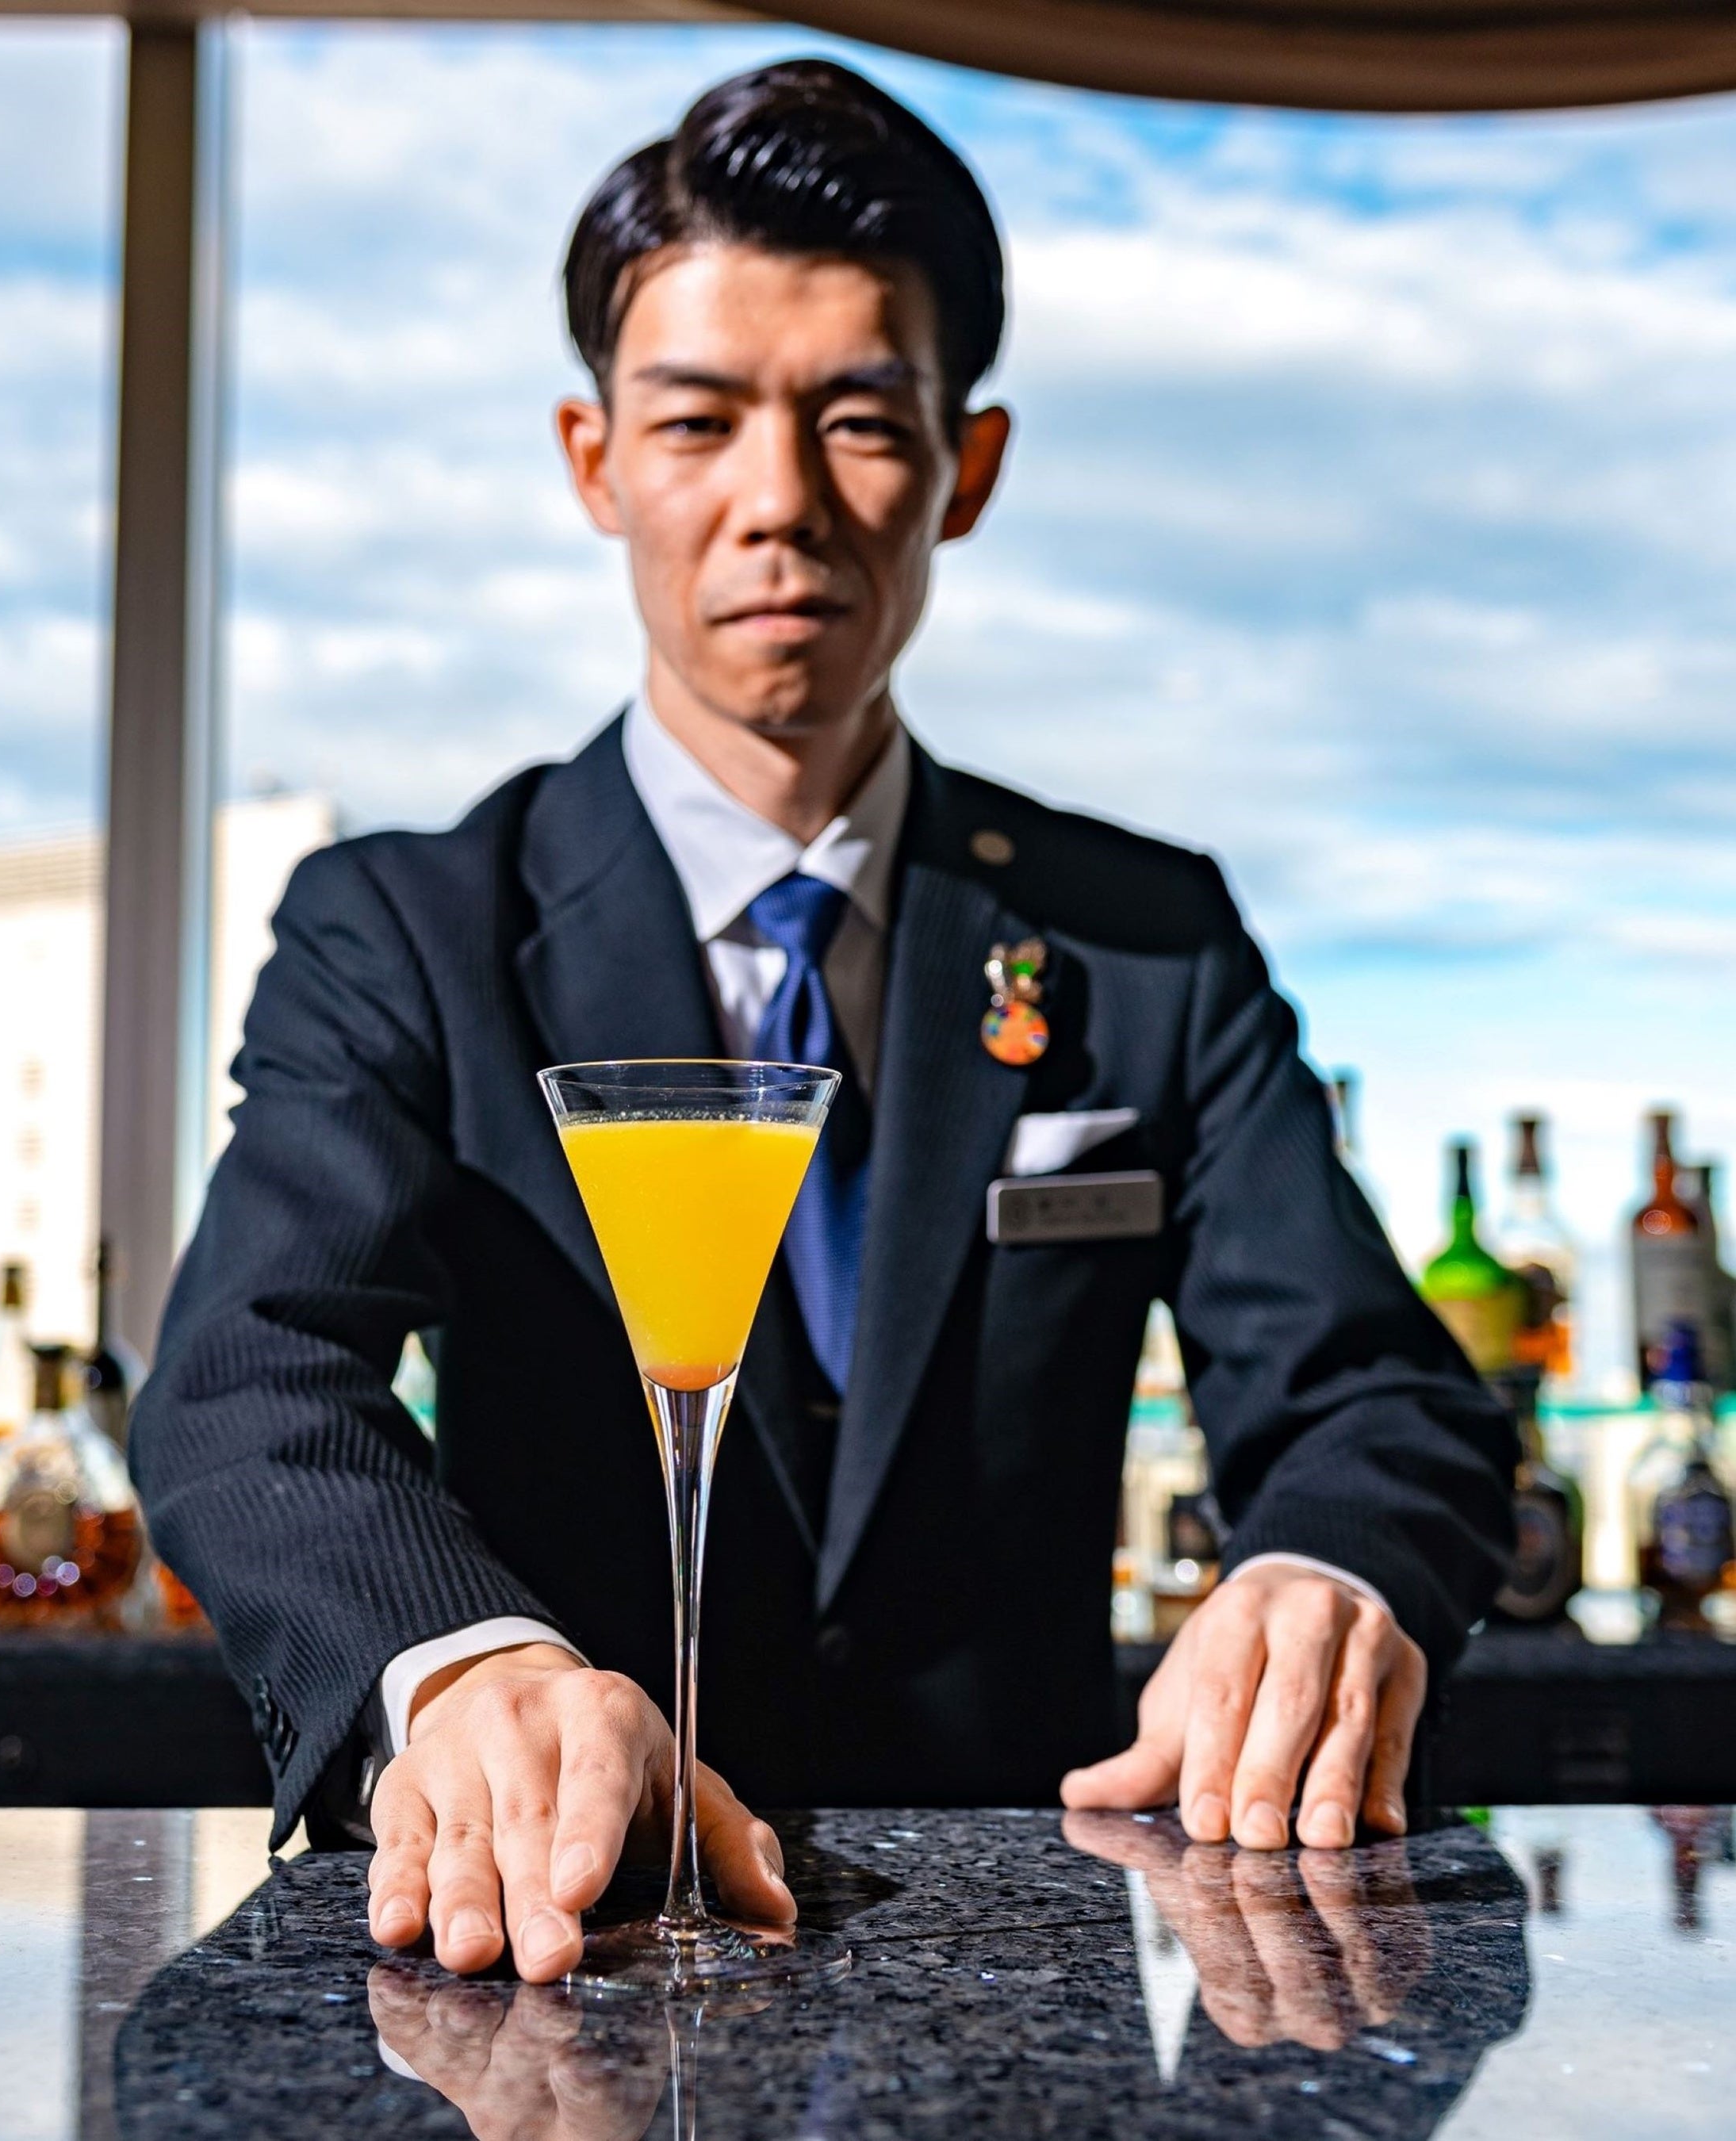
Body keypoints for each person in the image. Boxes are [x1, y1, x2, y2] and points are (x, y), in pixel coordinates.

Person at [129, 56, 1514, 1989]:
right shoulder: (408, 933)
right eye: (696, 422)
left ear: (968, 467)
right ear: (595, 461)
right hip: (567, 1944)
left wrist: (1322, 1572)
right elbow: (248, 1374)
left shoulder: (1141, 941)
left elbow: (1378, 1398)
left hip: (1029, 1962)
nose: (776, 503)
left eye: (858, 420)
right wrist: (465, 1664)